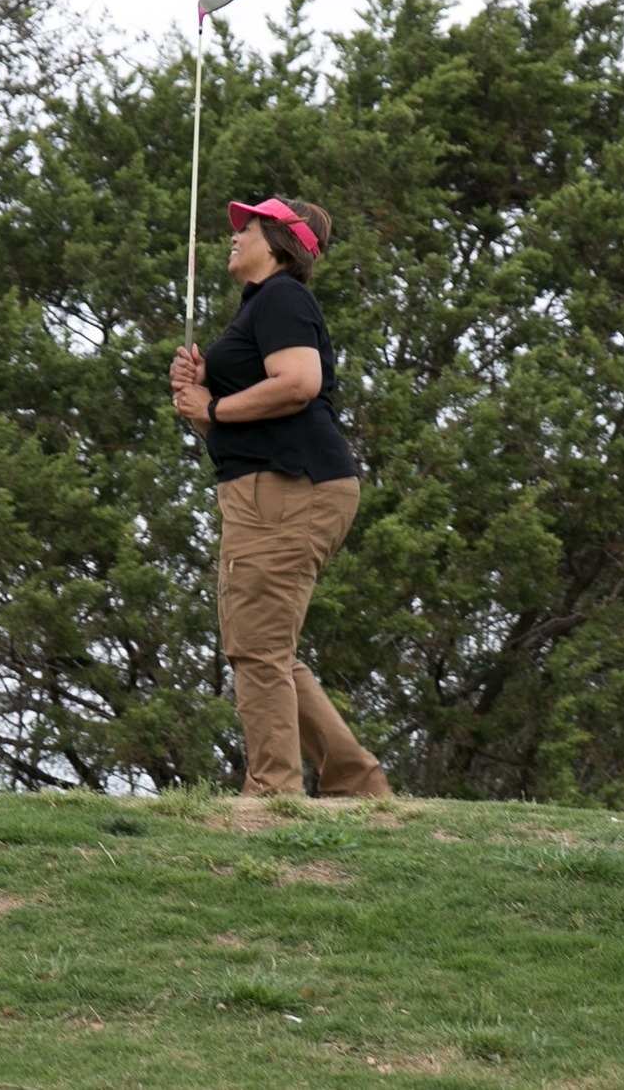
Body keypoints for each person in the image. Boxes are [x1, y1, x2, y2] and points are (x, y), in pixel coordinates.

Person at [170, 197, 391, 798]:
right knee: (264, 648)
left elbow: (298, 383)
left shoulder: (282, 297)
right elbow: (234, 420)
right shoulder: (261, 306)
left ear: (280, 242)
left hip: (289, 487)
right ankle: (357, 786)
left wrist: (214, 405)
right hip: (272, 488)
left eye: (249, 226)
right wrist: (202, 397)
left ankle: (273, 794)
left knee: (259, 649)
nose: (235, 234)